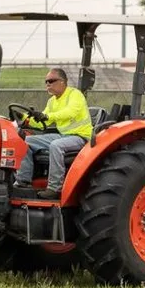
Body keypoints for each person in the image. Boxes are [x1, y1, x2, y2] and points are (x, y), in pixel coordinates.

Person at [14, 68, 93, 199]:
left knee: (56, 146)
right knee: (25, 141)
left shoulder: (75, 94)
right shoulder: (52, 101)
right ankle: (23, 181)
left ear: (62, 82)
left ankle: (54, 188)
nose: (48, 84)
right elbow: (41, 123)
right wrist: (23, 117)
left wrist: (46, 116)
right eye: (46, 82)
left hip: (80, 137)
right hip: (63, 136)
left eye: (51, 81)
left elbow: (70, 112)